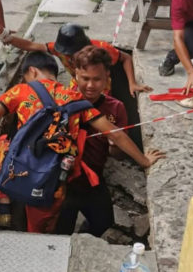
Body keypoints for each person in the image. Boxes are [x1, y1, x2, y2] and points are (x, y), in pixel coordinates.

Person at [0, 51, 163, 234]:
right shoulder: (75, 99)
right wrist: (144, 160)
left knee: (1, 144)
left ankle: (5, 203)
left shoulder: (21, 91)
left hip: (21, 171)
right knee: (44, 226)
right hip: (55, 179)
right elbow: (115, 134)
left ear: (32, 71)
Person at [55, 46, 167, 237]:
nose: (90, 85)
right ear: (75, 74)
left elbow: (117, 153)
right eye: (85, 79)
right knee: (60, 230)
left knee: (103, 222)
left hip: (92, 179)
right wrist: (143, 160)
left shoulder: (115, 108)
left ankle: (85, 238)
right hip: (61, 180)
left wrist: (114, 147)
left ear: (107, 76)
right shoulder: (62, 100)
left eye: (97, 79)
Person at [8, 23, 152, 98]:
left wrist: (132, 84)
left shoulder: (101, 49)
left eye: (74, 53)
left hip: (101, 88)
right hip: (77, 85)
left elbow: (126, 58)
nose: (70, 57)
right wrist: (5, 37)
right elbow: (31, 45)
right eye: (68, 54)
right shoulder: (59, 49)